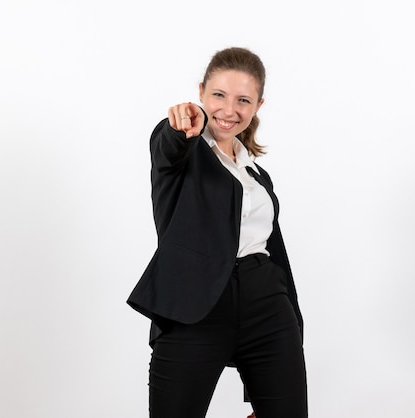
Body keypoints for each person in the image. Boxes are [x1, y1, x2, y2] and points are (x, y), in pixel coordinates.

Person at [127, 46, 308, 418]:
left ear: (258, 105)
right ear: (201, 92)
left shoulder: (256, 174)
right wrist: (179, 126)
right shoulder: (182, 150)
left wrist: (291, 317)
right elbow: (168, 147)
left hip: (268, 308)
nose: (229, 110)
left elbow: (274, 249)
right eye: (219, 96)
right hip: (194, 308)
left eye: (244, 100)